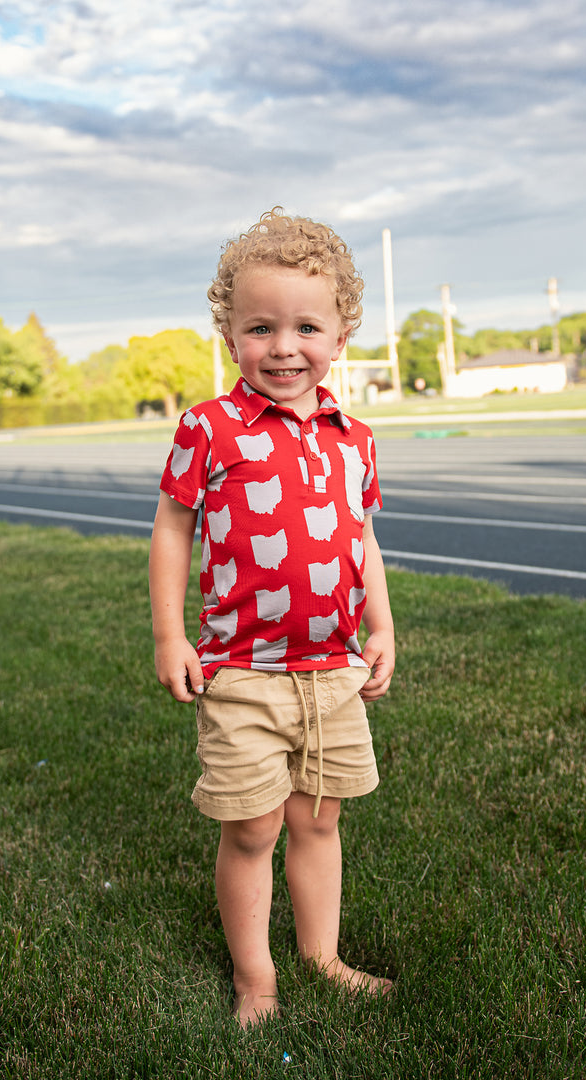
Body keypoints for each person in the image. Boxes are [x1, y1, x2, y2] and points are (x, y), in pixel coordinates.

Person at [149, 208, 395, 1028]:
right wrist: (170, 635)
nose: (284, 347)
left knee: (319, 821)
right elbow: (172, 529)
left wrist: (382, 629)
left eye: (306, 328)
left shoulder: (355, 439)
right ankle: (255, 977)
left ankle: (322, 958)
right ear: (229, 334)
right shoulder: (209, 429)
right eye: (261, 328)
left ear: (341, 335)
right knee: (253, 827)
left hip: (332, 670)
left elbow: (361, 538)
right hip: (243, 672)